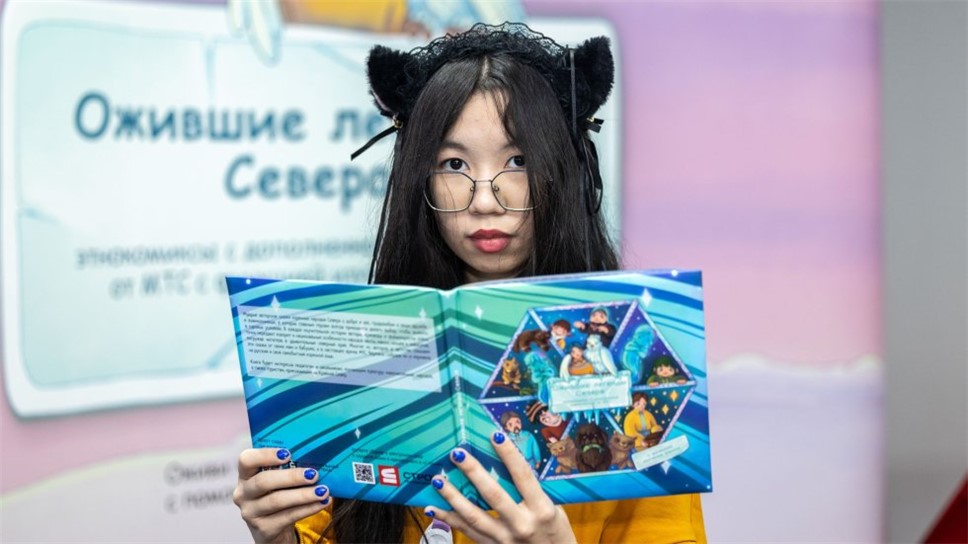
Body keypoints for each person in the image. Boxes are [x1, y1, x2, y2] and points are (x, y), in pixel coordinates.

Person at [233, 22, 706, 543]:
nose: (484, 200)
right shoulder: (363, 346)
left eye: (518, 161)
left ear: (563, 170)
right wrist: (278, 536)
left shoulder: (633, 354)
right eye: (454, 164)